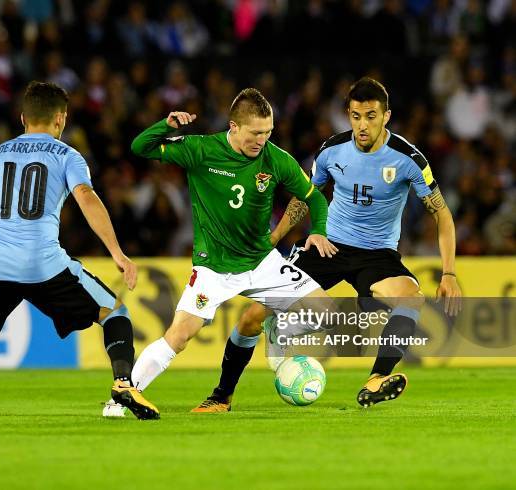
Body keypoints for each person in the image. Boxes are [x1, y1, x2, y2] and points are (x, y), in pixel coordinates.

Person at [193, 77, 463, 412]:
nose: (362, 125)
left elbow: (442, 215)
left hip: (377, 255)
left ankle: (376, 379)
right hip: (328, 247)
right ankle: (222, 395)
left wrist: (449, 273)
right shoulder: (332, 150)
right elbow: (305, 198)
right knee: (252, 316)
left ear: (387, 116)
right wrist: (274, 239)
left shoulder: (408, 159)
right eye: (355, 116)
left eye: (370, 116)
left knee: (410, 297)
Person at [0, 81, 159, 421]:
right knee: (114, 313)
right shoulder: (69, 156)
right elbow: (86, 197)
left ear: (22, 118)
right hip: (41, 262)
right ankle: (122, 383)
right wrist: (117, 252)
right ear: (61, 119)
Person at [104, 88, 336, 415]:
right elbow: (140, 147)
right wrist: (166, 126)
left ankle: (278, 328)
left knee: (328, 313)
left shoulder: (277, 159)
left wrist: (318, 231)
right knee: (180, 335)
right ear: (234, 126)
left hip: (261, 261)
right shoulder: (201, 149)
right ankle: (123, 396)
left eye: (268, 132)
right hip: (214, 268)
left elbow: (315, 198)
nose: (262, 139)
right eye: (256, 132)